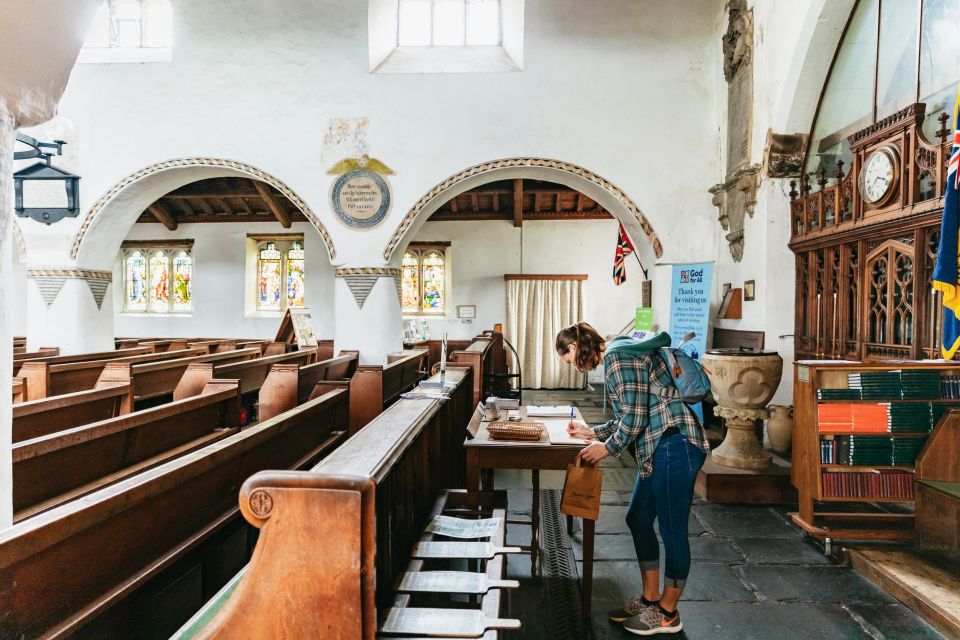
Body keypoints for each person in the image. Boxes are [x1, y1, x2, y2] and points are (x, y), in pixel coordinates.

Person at [556, 322, 709, 636]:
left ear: (575, 347)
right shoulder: (619, 351)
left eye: (571, 361)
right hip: (658, 446)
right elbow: (632, 410)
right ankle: (650, 598)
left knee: (672, 529)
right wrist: (593, 433)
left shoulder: (616, 358)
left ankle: (668, 612)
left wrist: (606, 448)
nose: (576, 367)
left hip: (674, 444)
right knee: (638, 518)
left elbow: (635, 417)